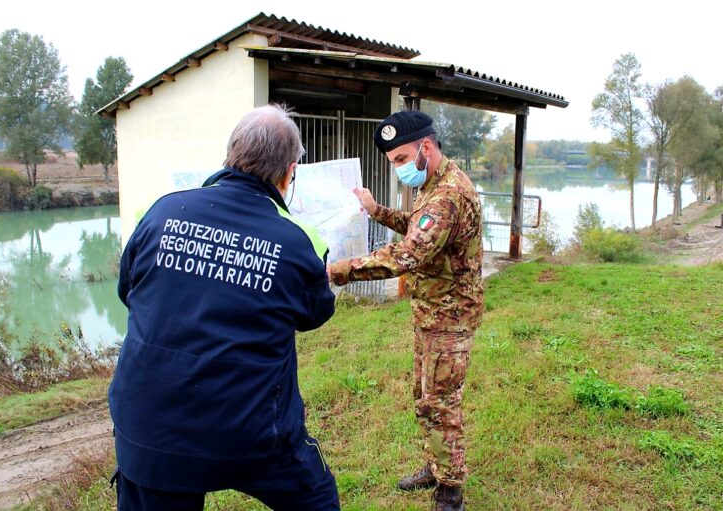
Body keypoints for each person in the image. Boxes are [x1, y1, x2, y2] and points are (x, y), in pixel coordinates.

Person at [109, 104, 339, 511]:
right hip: (250, 430)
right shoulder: (299, 239)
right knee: (315, 498)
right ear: (290, 172)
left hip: (150, 425)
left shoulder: (160, 211)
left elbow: (129, 291)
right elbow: (315, 314)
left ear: (229, 156)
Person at [328, 111, 483, 511]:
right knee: (424, 395)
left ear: (425, 148)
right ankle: (436, 466)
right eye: (392, 162)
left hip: (449, 318)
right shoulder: (431, 185)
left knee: (441, 401)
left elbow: (409, 253)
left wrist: (339, 270)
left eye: (400, 159)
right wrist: (376, 209)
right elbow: (418, 228)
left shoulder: (448, 195)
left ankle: (451, 490)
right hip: (432, 312)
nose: (398, 169)